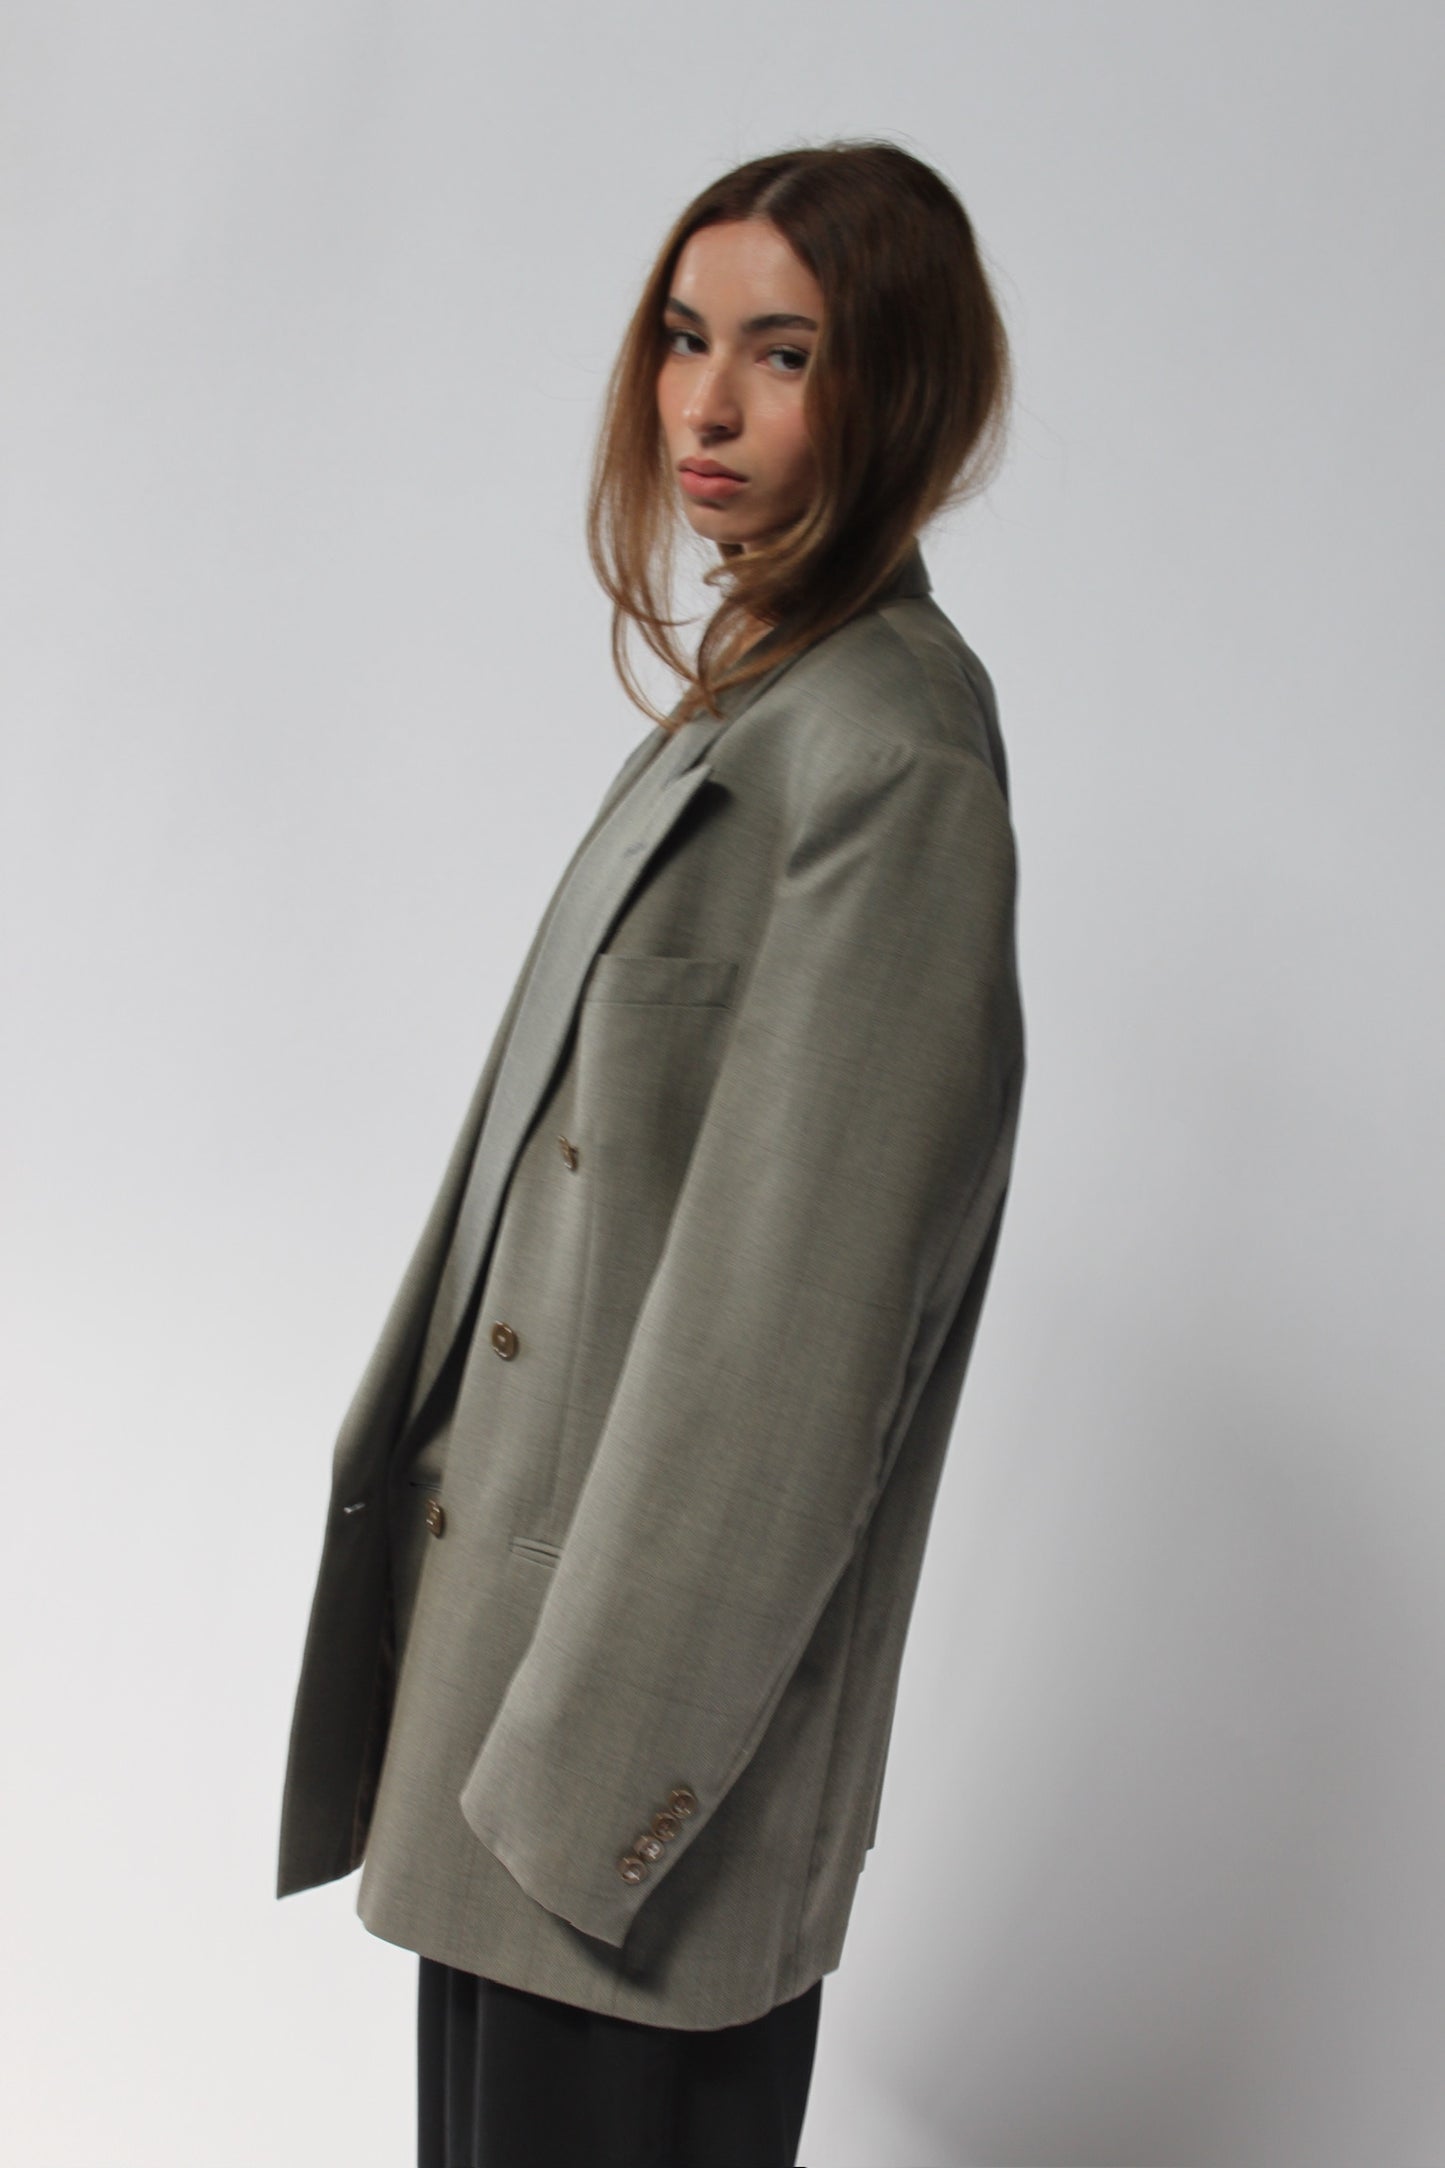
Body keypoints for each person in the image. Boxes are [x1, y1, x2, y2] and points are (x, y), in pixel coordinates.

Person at [277, 137, 1025, 2168]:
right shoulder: (757, 702)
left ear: (905, 389)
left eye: (783, 354)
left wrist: (583, 1804)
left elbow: (795, 1353)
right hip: (517, 1730)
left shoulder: (888, 758)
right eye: (686, 340)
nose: (704, 404)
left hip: (616, 1786)